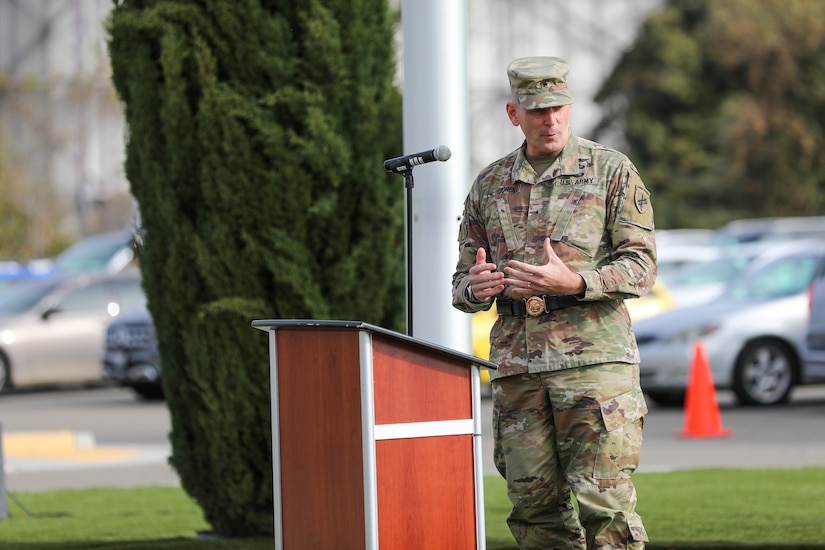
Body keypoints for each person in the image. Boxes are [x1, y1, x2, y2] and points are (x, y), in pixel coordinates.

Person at [452, 56, 656, 549]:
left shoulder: (611, 171)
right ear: (512, 113)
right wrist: (474, 289)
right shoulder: (489, 184)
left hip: (594, 365)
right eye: (537, 110)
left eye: (558, 108)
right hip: (518, 369)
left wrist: (576, 282)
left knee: (605, 511)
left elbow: (642, 267)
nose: (550, 120)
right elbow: (461, 282)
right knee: (534, 513)